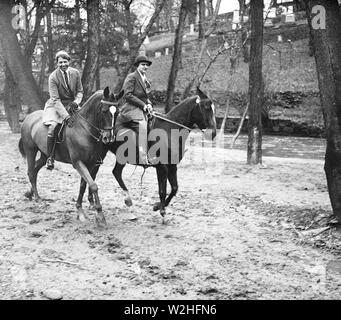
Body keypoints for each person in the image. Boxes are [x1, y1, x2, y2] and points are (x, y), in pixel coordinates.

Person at [42, 50, 83, 170]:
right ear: (57, 63)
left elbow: (80, 91)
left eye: (65, 62)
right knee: (53, 127)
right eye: (60, 62)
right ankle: (50, 157)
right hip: (56, 105)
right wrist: (66, 116)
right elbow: (55, 99)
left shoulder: (75, 73)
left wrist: (76, 102)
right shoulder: (53, 77)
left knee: (85, 122)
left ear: (69, 61)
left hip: (71, 103)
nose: (63, 65)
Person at [120, 54, 156, 165]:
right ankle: (143, 158)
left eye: (147, 65)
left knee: (156, 123)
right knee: (142, 126)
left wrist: (149, 104)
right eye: (143, 65)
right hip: (131, 109)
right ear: (137, 66)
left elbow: (146, 97)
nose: (145, 67)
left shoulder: (145, 79)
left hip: (142, 108)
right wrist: (143, 105)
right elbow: (127, 95)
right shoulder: (132, 77)